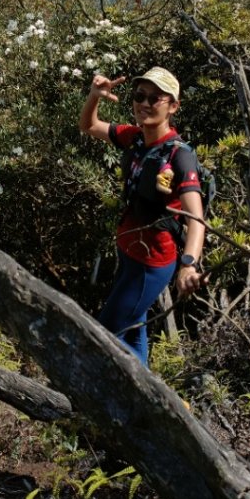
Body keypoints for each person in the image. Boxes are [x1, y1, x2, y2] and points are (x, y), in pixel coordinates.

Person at [79, 66, 205, 365]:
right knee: (133, 331)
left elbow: (196, 219)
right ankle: (144, 403)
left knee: (107, 333)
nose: (145, 104)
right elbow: (89, 125)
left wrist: (188, 265)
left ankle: (114, 404)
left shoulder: (179, 155)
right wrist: (94, 96)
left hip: (150, 264)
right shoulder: (135, 138)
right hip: (128, 253)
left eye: (156, 98)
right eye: (140, 96)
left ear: (173, 106)